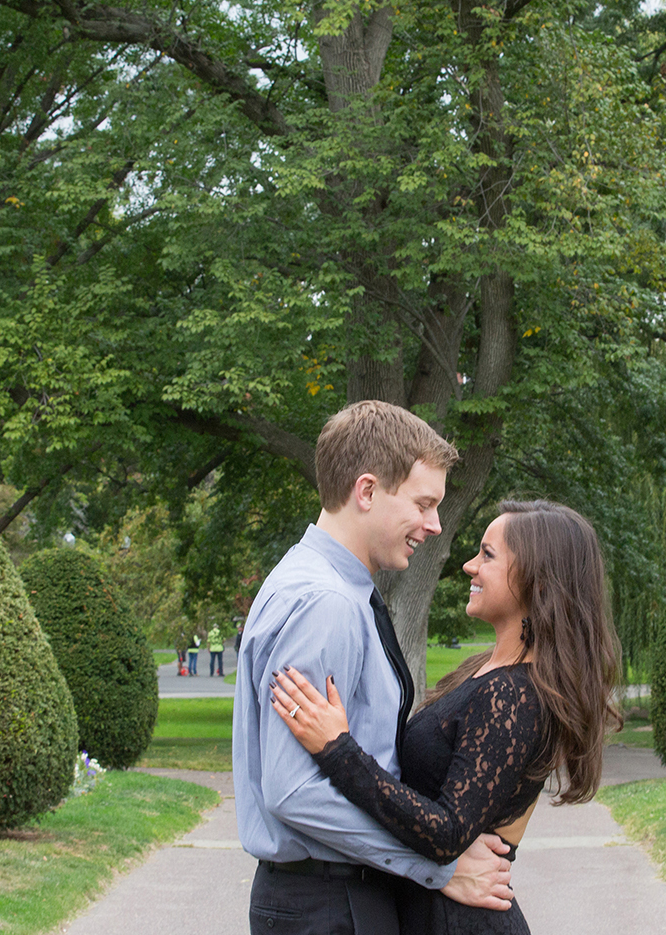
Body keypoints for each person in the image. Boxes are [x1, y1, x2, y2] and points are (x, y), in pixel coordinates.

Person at [270, 500, 623, 933]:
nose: (469, 566)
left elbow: (447, 832)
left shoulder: (513, 695)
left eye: (488, 555)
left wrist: (338, 750)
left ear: (539, 583)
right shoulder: (483, 671)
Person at [234, 400, 515, 935]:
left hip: (335, 898)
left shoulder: (324, 584)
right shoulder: (326, 603)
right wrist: (437, 866)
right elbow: (293, 790)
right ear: (366, 492)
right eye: (424, 503)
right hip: (331, 905)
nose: (435, 525)